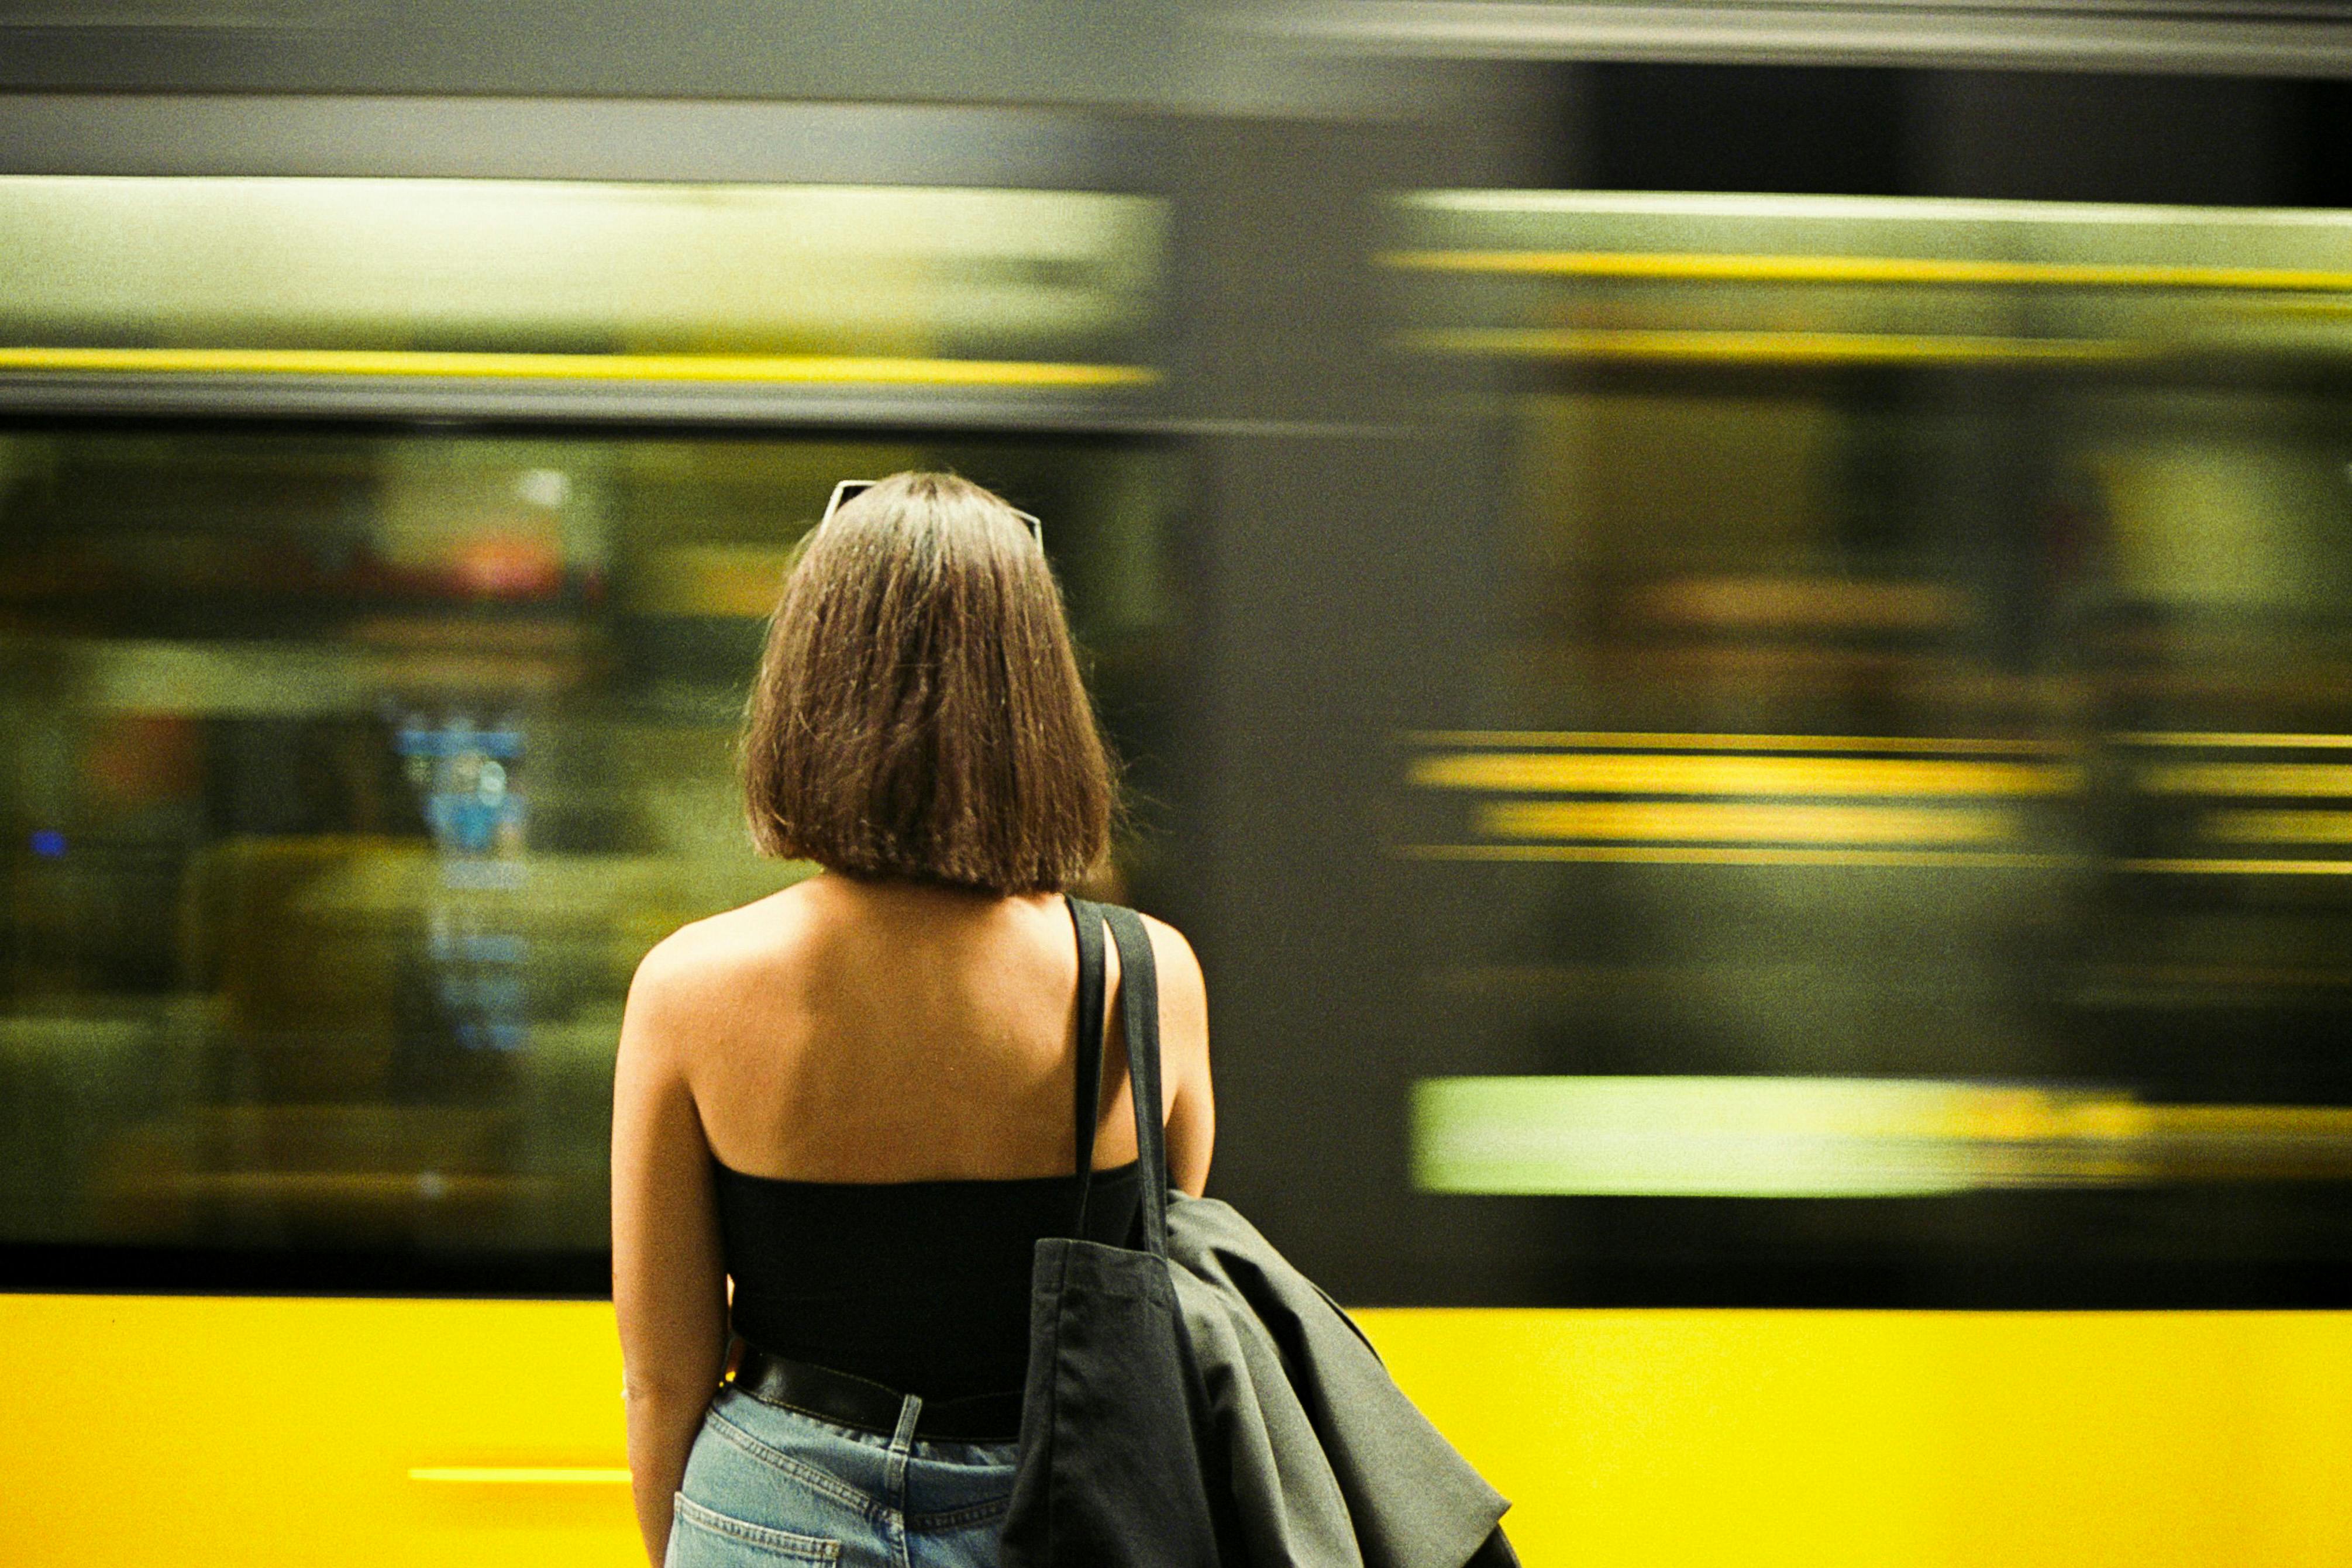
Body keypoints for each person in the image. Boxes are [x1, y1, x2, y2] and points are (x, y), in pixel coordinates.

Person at [610, 471, 1214, 1568]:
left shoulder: (690, 987)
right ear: (1039, 695)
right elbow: (1151, 1305)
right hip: (1056, 1510)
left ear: (807, 685)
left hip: (772, 1506)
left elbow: (663, 1377)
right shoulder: (1146, 976)